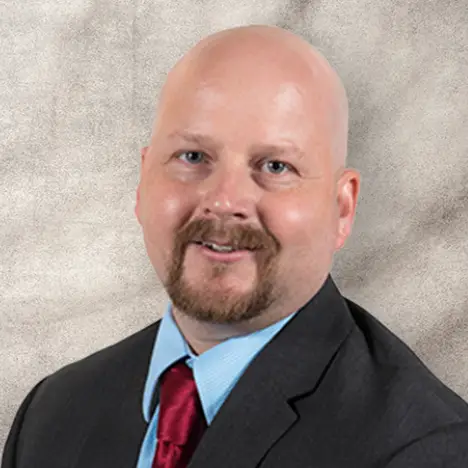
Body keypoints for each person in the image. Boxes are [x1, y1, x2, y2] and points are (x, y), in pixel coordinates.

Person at [2, 24, 468, 468]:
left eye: (276, 166)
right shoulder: (52, 415)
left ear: (342, 209)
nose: (224, 200)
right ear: (144, 183)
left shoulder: (425, 449)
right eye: (193, 157)